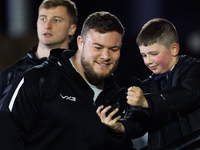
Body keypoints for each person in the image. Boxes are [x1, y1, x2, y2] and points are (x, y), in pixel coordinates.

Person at [0, 11, 135, 150]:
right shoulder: (38, 79)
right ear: (80, 43)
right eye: (97, 47)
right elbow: (6, 135)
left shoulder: (116, 98)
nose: (106, 56)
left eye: (113, 49)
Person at [96, 18, 200, 150]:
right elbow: (139, 121)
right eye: (144, 55)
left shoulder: (195, 70)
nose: (148, 61)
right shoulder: (148, 85)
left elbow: (186, 95)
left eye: (153, 54)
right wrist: (120, 127)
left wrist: (147, 102)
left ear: (174, 49)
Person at [0, 0, 77, 109]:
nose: (47, 25)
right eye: (43, 19)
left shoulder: (86, 74)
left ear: (71, 29)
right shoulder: (10, 75)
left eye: (56, 20)